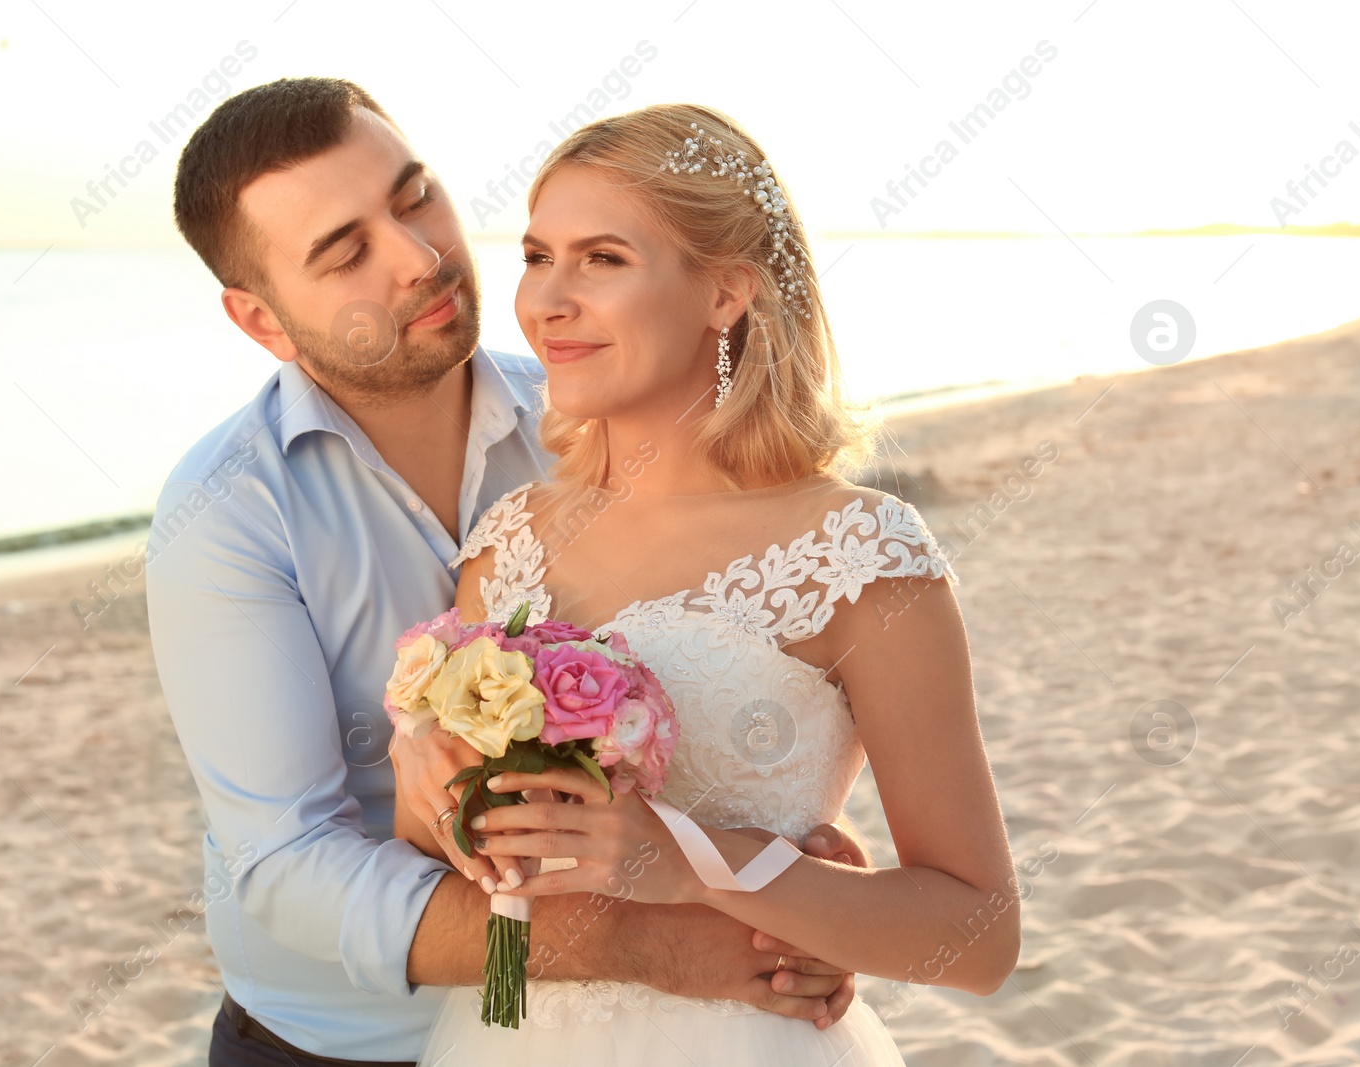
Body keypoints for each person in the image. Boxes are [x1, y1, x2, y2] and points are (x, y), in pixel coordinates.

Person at [147, 77, 875, 1067]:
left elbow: (738, 633)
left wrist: (791, 879)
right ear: (262, 322)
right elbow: (288, 866)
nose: (418, 255)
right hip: (339, 1043)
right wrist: (646, 942)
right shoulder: (226, 509)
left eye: (414, 198)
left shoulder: (599, 407)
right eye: (346, 250)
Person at [399, 104, 1019, 1064]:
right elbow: (457, 868)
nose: (546, 301)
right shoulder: (506, 541)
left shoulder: (857, 551)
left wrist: (701, 864)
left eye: (602, 259)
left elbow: (978, 933)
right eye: (536, 255)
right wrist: (428, 787)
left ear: (726, 291)